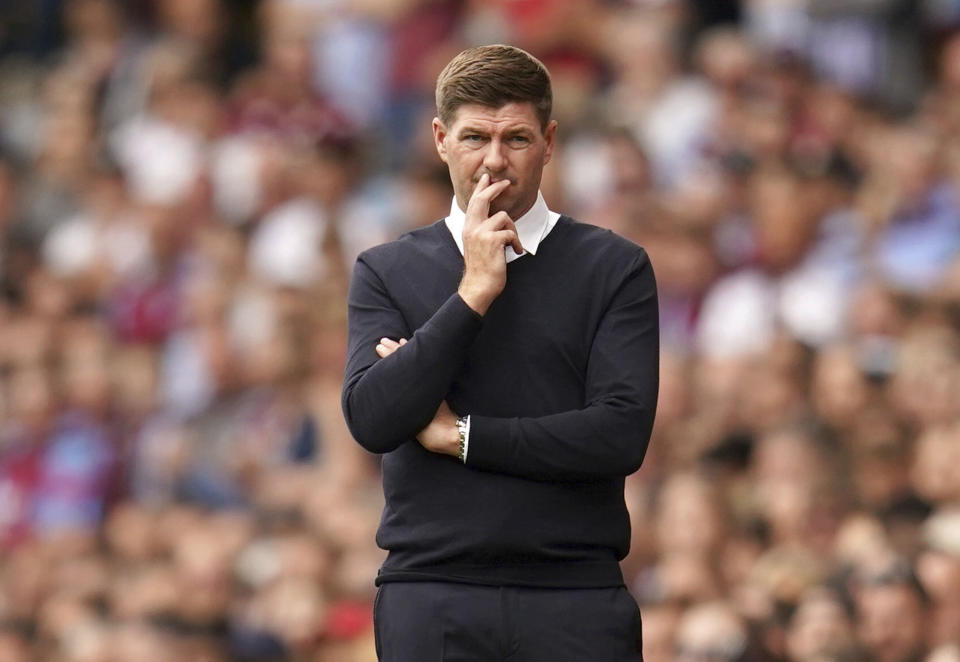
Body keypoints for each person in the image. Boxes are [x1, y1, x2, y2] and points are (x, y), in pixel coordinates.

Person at [341, 44, 659, 661]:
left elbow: (619, 434)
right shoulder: (386, 270)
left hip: (575, 593)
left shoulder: (613, 266)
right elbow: (374, 419)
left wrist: (463, 436)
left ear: (549, 139)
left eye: (515, 137)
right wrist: (473, 293)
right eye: (473, 138)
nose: (494, 161)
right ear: (439, 139)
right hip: (431, 592)